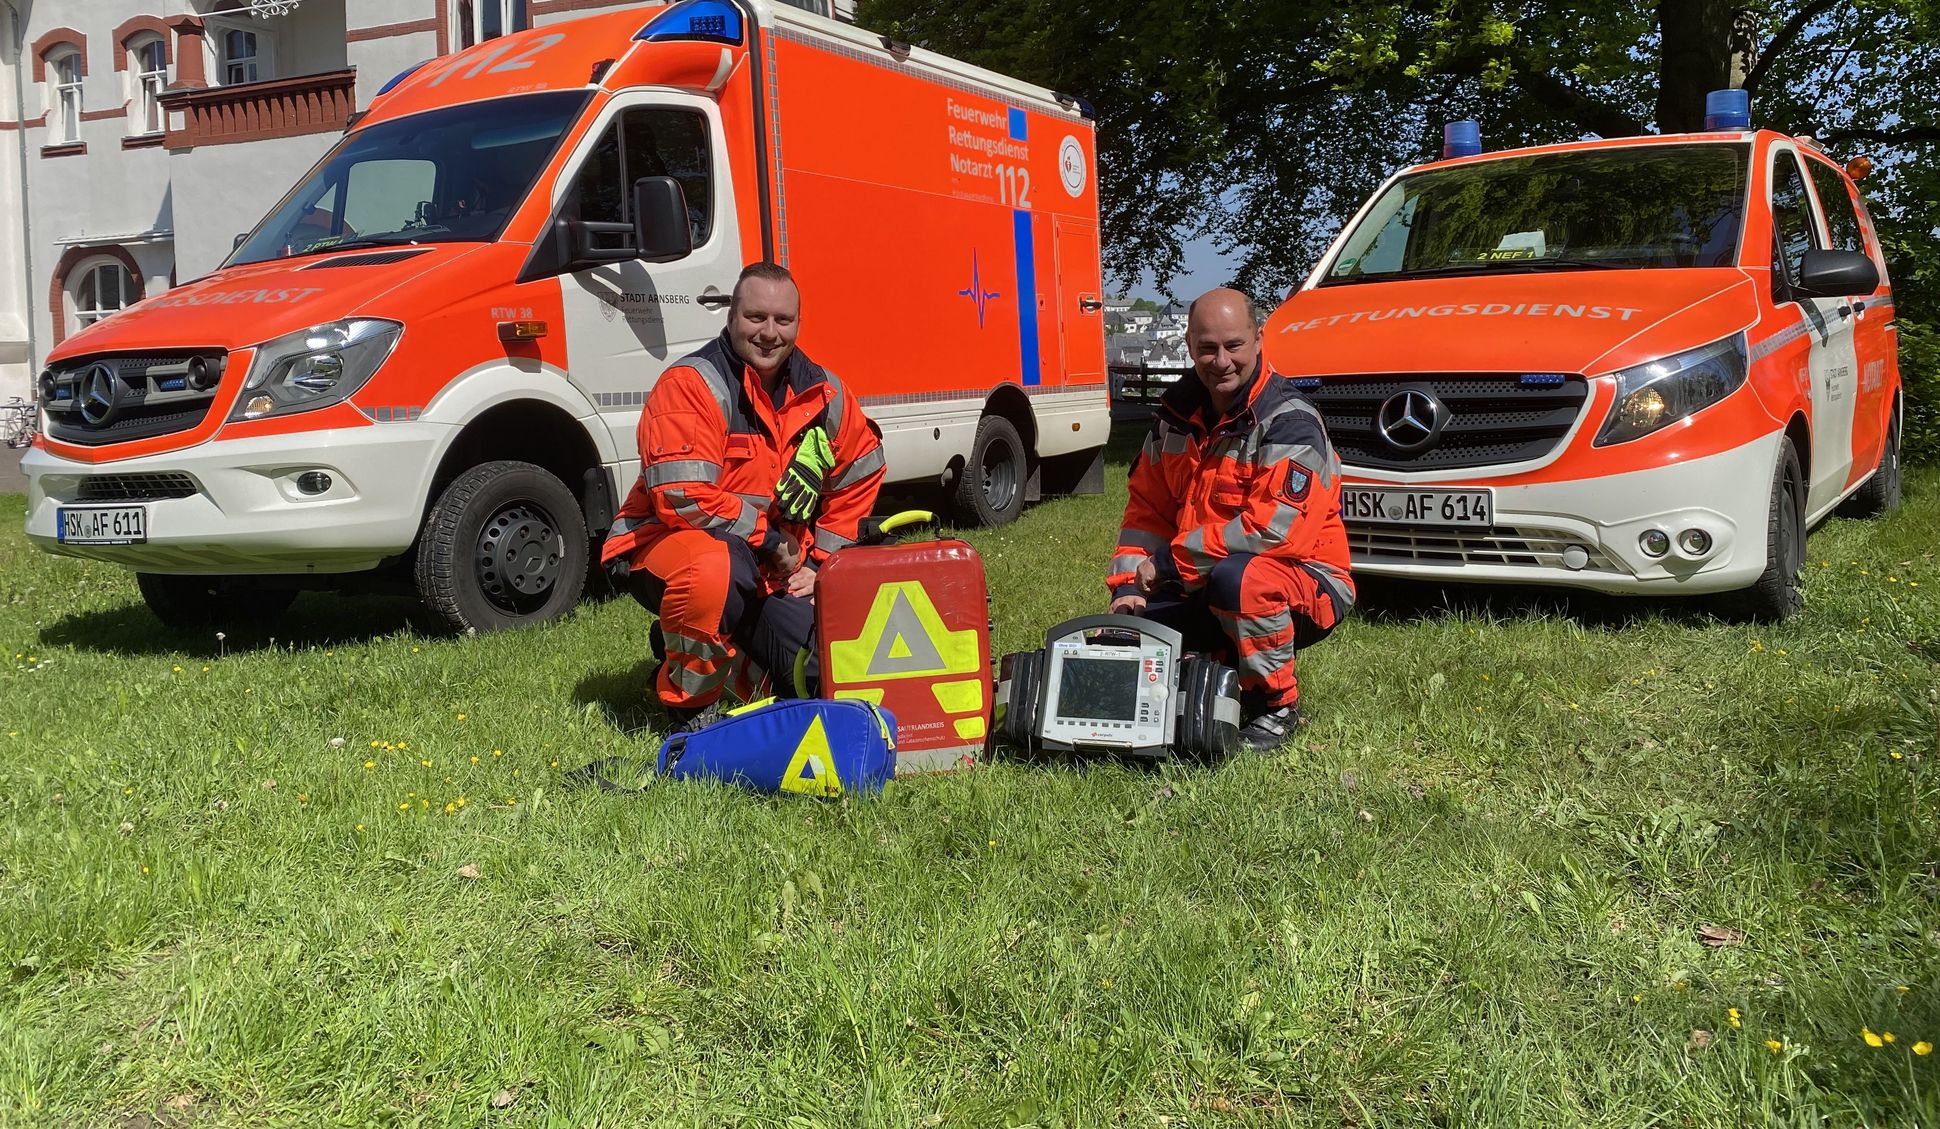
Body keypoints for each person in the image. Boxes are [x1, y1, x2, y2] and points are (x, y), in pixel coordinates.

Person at [602, 262, 886, 721]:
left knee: (822, 672)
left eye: (783, 320)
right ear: (732, 316)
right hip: (667, 548)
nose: (769, 332)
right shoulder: (692, 385)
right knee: (716, 571)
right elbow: (682, 496)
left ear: (798, 323)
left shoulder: (825, 393)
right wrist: (771, 540)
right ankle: (692, 706)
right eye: (756, 317)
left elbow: (861, 470)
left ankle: (714, 645)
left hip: (773, 572)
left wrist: (821, 569)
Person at [1105, 288, 1354, 750]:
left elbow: (1275, 534)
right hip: (1200, 576)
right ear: (1188, 344)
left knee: (1241, 579)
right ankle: (1213, 667)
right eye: (1207, 348)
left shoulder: (1290, 421)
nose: (1221, 360)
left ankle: (1274, 706)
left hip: (1304, 582)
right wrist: (1127, 591)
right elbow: (1147, 512)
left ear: (1259, 340)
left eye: (1234, 346)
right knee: (1119, 639)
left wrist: (1167, 566)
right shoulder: (1173, 418)